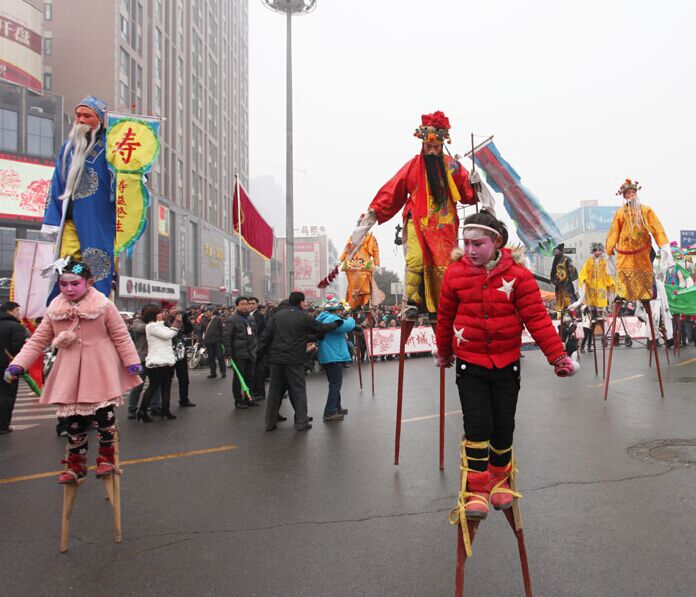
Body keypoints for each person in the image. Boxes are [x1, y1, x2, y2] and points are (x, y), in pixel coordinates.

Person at [435, 210, 577, 521]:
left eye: (478, 243)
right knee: (477, 427)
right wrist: (443, 352)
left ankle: (499, 481)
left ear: (497, 241)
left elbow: (537, 319)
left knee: (503, 426)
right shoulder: (454, 274)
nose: (471, 250)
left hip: (506, 363)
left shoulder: (520, 276)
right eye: (467, 243)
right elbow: (444, 319)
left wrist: (558, 357)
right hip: (470, 364)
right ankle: (476, 489)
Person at [4, 259, 142, 483]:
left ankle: (106, 459)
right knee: (73, 421)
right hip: (69, 370)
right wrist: (19, 364)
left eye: (74, 284)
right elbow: (38, 340)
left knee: (104, 417)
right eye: (63, 284)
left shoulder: (104, 305)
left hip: (99, 368)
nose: (68, 289)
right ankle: (75, 465)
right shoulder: (55, 309)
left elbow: (121, 336)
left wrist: (131, 361)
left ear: (88, 282)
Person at [357, 111, 487, 320]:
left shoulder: (452, 166)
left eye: (437, 147)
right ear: (423, 144)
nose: (433, 151)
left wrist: (474, 183)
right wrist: (375, 211)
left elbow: (467, 195)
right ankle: (411, 301)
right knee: (416, 260)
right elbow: (393, 190)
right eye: (429, 147)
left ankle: (443, 302)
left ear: (442, 144)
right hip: (417, 218)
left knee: (444, 264)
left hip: (444, 224)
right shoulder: (414, 165)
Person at [41, 96, 116, 299]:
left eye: (87, 115)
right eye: (78, 115)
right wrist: (52, 219)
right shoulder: (68, 147)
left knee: (97, 264)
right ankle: (69, 302)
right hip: (70, 219)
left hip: (99, 218)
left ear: (99, 119)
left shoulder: (113, 146)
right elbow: (56, 183)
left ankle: (95, 306)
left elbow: (129, 179)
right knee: (68, 264)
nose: (81, 120)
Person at [258, 292, 341, 432]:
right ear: (300, 302)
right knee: (298, 391)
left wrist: (258, 357)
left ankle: (269, 423)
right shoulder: (302, 317)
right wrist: (336, 323)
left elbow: (265, 337)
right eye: (304, 302)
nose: (305, 304)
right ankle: (301, 422)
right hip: (294, 360)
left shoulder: (277, 316)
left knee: (274, 392)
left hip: (276, 360)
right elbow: (321, 327)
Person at [606, 179, 672, 301]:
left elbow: (656, 228)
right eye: (628, 193)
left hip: (642, 251)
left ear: (636, 193)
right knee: (625, 272)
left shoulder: (646, 210)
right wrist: (609, 249)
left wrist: (663, 244)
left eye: (633, 192)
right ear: (624, 196)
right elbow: (614, 231)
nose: (631, 195)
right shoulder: (620, 213)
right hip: (625, 251)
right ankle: (623, 294)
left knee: (644, 271)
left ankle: (645, 294)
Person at [137, 304, 181, 422]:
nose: (162, 314)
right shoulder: (151, 326)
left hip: (166, 359)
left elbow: (171, 332)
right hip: (157, 361)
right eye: (159, 313)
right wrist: (177, 323)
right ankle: (142, 411)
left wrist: (176, 323)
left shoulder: (161, 325)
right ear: (154, 315)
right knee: (153, 387)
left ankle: (165, 410)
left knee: (167, 387)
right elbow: (168, 335)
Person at [315, 297, 355, 422]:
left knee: (334, 383)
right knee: (335, 384)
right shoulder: (333, 319)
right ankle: (330, 411)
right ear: (336, 310)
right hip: (333, 355)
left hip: (327, 355)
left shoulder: (320, 318)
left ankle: (337, 407)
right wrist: (351, 317)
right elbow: (348, 326)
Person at [223, 297, 258, 409]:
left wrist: (256, 347)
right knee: (239, 378)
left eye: (246, 304)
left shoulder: (251, 318)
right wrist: (228, 353)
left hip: (251, 352)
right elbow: (226, 337)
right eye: (242, 304)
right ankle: (238, 400)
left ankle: (249, 398)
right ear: (237, 306)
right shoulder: (232, 319)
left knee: (250, 376)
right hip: (238, 353)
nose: (245, 306)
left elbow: (255, 335)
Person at [0, 301, 28, 434]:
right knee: (6, 394)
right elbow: (18, 348)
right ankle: (3, 426)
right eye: (17, 310)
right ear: (10, 311)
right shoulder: (15, 327)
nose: (19, 313)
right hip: (8, 365)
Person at [339, 222, 381, 310]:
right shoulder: (352, 237)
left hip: (365, 266)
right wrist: (341, 259)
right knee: (353, 288)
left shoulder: (371, 238)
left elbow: (376, 252)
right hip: (352, 267)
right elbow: (346, 250)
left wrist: (377, 264)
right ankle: (354, 305)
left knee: (365, 288)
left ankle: (365, 304)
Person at [166, 303, 196, 408]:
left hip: (180, 352)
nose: (175, 310)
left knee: (184, 378)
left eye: (175, 308)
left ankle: (184, 399)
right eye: (172, 308)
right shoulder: (165, 321)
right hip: (168, 353)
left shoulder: (180, 318)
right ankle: (164, 404)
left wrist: (185, 319)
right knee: (167, 380)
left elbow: (188, 330)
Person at [247, 296, 267, 401]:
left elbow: (260, 332)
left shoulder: (259, 316)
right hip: (249, 347)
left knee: (259, 371)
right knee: (252, 371)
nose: (250, 305)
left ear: (257, 304)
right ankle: (253, 391)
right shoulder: (247, 315)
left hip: (257, 347)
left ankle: (260, 392)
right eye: (249, 303)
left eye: (253, 303)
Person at [550, 243, 578, 314]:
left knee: (569, 298)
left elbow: (572, 268)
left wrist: (569, 278)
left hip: (566, 283)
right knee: (560, 299)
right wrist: (553, 280)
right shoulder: (555, 260)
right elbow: (553, 271)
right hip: (559, 284)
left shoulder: (566, 259)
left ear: (560, 251)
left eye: (557, 251)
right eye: (555, 251)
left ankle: (573, 314)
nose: (556, 252)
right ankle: (564, 312)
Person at [202, 308, 226, 379]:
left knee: (220, 357)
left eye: (208, 311)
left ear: (211, 312)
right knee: (210, 358)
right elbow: (200, 330)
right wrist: (200, 340)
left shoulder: (218, 319)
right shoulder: (203, 320)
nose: (206, 313)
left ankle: (223, 372)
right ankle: (213, 373)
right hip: (208, 342)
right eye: (205, 312)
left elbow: (222, 329)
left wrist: (222, 340)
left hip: (217, 341)